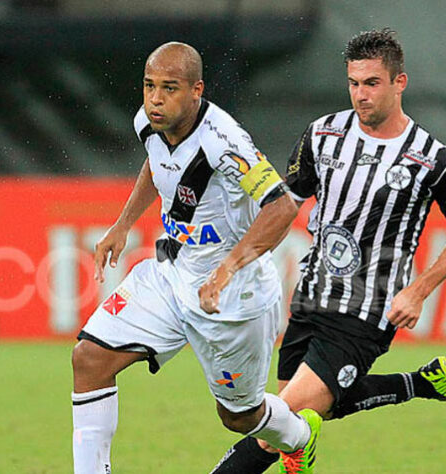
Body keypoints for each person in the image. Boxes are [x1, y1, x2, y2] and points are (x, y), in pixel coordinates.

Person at [211, 28, 446, 473]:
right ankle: (423, 382)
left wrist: (418, 291)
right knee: (297, 423)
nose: (361, 94)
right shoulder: (322, 135)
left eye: (372, 83)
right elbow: (284, 208)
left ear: (400, 83)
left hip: (367, 310)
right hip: (311, 294)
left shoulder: (435, 159)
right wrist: (234, 262)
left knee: (270, 422)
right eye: (354, 83)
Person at [71, 42, 322, 474]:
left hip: (232, 296)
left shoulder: (225, 141)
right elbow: (157, 163)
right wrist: (123, 223)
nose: (155, 98)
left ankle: (299, 437)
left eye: (169, 88)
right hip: (171, 275)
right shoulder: (148, 123)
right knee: (89, 359)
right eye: (149, 86)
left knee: (237, 416)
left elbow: (281, 206)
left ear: (196, 90)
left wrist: (226, 270)